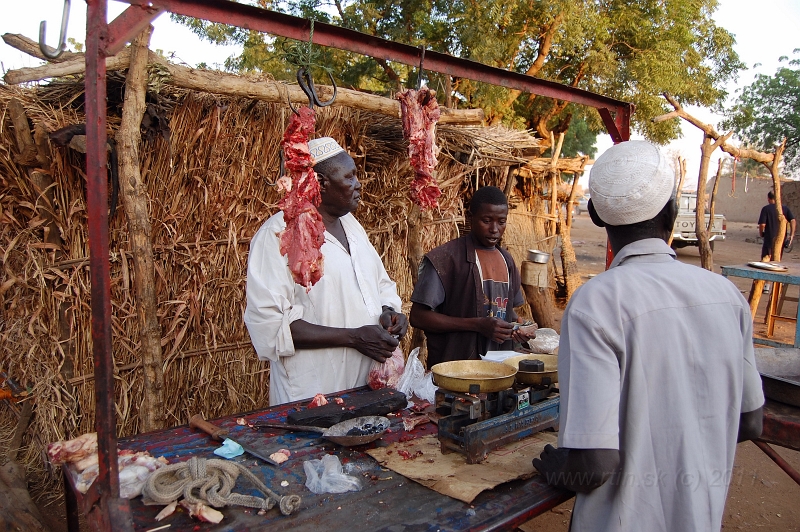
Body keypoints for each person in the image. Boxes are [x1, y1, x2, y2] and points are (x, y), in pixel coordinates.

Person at [532, 140, 764, 532]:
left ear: (596, 216)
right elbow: (751, 422)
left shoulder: (597, 303)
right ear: (672, 211)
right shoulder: (726, 295)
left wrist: (561, 470)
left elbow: (594, 464)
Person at [244, 137, 408, 405]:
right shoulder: (277, 235)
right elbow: (269, 325)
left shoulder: (352, 226)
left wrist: (389, 313)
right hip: (312, 392)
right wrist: (353, 338)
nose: (358, 184)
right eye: (350, 177)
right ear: (320, 184)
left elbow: (380, 285)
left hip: (364, 387)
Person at [409, 186, 534, 368]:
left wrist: (517, 327)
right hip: (455, 370)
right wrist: (477, 325)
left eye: (501, 222)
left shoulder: (506, 260)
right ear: (471, 217)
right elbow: (418, 317)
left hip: (500, 369)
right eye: (486, 220)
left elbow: (506, 310)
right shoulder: (446, 258)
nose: (494, 229)